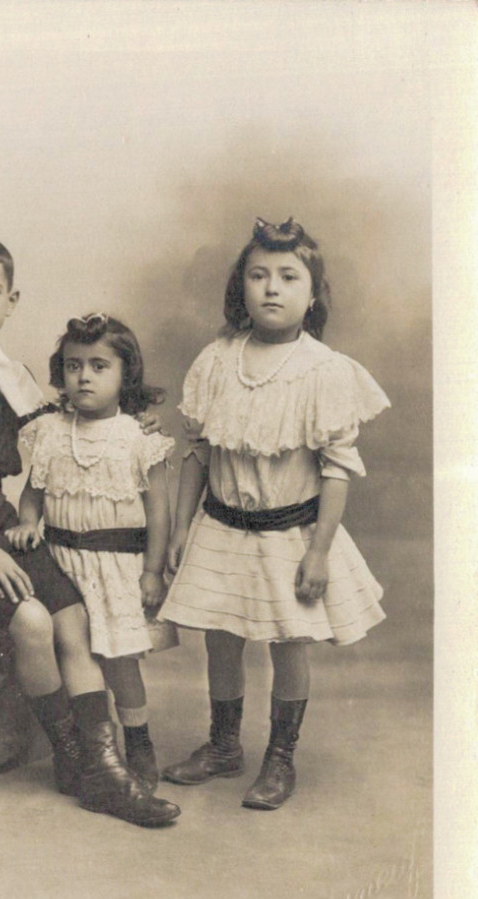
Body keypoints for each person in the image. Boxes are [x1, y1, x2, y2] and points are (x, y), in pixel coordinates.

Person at [0, 233, 179, 829]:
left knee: (72, 615)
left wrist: (126, 418)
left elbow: (68, 416)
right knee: (33, 618)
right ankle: (73, 757)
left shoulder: (7, 373)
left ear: (10, 301)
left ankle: (101, 771)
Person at [158, 217, 390, 810]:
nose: (272, 287)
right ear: (242, 288)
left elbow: (337, 469)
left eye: (289, 277)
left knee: (289, 641)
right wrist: (183, 527)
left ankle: (280, 758)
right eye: (258, 275)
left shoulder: (324, 371)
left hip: (292, 532)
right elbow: (198, 455)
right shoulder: (217, 360)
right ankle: (223, 746)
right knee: (220, 640)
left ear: (312, 295)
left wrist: (318, 552)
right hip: (221, 526)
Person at [6, 313, 175, 793]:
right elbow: (33, 492)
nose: (85, 376)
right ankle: (93, 750)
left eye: (100, 366)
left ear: (126, 375)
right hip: (61, 561)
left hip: (117, 566)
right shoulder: (51, 431)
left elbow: (158, 513)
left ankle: (138, 739)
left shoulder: (140, 438)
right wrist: (26, 523)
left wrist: (153, 571)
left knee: (120, 662)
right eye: (75, 365)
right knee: (72, 653)